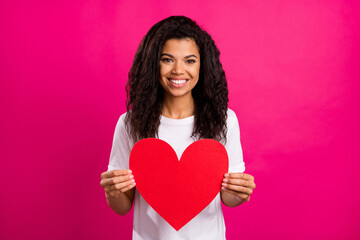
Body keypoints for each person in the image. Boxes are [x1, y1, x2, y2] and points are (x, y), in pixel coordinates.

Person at [100, 15, 256, 240]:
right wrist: (112, 191)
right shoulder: (129, 123)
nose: (178, 70)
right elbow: (122, 206)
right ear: (153, 64)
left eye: (190, 60)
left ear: (203, 66)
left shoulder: (225, 120)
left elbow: (228, 198)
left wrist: (240, 193)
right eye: (167, 59)